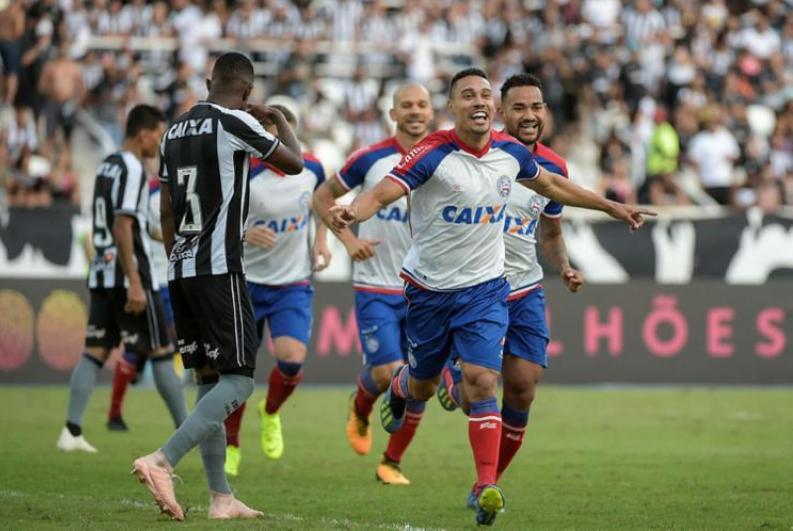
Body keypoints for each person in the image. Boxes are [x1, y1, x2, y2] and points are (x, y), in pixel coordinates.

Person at [328, 68, 653, 526]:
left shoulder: (510, 155)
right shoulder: (433, 152)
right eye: (468, 95)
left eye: (484, 94)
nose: (478, 101)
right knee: (420, 383)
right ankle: (399, 390)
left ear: (491, 107)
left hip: (486, 290)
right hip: (428, 291)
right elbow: (382, 193)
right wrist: (351, 211)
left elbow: (553, 189)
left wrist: (611, 206)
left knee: (484, 382)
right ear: (455, 107)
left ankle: (486, 486)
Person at [131, 52, 303, 521]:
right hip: (220, 270)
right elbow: (296, 164)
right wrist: (278, 119)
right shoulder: (233, 122)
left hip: (181, 269)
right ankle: (162, 459)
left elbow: (166, 210)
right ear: (247, 91)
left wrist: (176, 258)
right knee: (240, 380)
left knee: (208, 382)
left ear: (210, 82)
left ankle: (221, 497)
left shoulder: (173, 131)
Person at [434, 73, 584, 506]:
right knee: (476, 393)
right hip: (477, 288)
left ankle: (486, 484)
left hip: (525, 289)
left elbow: (551, 231)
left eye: (536, 107)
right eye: (519, 107)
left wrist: (565, 266)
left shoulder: (554, 167)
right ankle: (451, 370)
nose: (530, 115)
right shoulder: (483, 154)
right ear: (501, 112)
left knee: (522, 389)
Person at [313, 82, 434, 485]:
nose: (415, 111)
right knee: (387, 374)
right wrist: (347, 240)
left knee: (421, 381)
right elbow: (321, 197)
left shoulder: (447, 159)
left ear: (432, 112)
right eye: (407, 106)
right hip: (376, 284)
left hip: (427, 290)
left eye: (422, 105)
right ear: (393, 115)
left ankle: (391, 462)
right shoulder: (370, 158)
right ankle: (362, 406)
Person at [56, 104, 187, 453]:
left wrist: (172, 237)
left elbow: (134, 225)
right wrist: (134, 280)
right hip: (129, 273)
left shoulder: (108, 166)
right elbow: (123, 225)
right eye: (158, 134)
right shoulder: (132, 167)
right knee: (160, 350)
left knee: (95, 351)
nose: (159, 142)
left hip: (102, 270)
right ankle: (188, 432)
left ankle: (71, 431)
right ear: (143, 133)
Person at [222, 104, 332, 476]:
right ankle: (231, 444)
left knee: (291, 360)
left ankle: (270, 412)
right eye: (273, 134)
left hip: (293, 282)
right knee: (237, 374)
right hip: (246, 283)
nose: (283, 143)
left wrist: (322, 242)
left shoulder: (312, 168)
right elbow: (213, 219)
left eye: (287, 135)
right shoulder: (244, 172)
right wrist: (243, 232)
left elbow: (323, 205)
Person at [106, 174, 184, 432]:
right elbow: (145, 229)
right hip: (155, 279)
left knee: (172, 342)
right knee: (149, 345)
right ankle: (115, 413)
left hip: (178, 278)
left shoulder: (187, 183)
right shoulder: (147, 191)